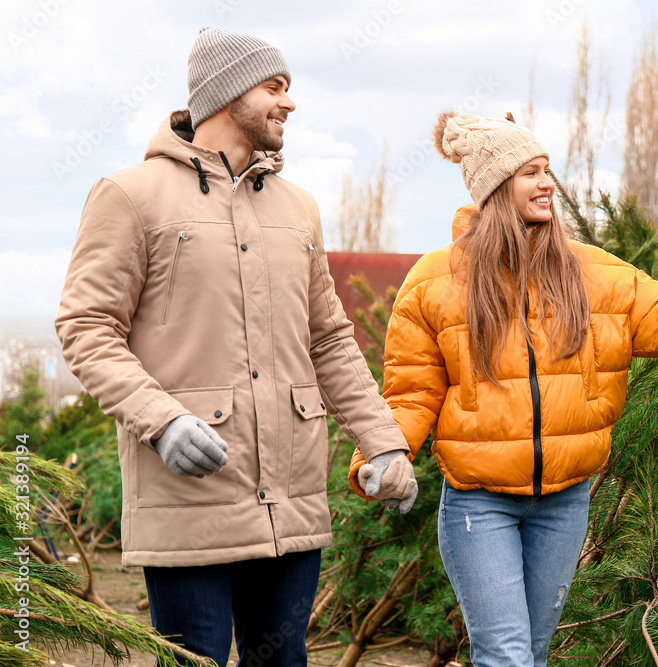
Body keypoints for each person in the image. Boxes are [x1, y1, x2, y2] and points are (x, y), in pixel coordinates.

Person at [347, 112, 658, 666]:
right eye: (530, 172)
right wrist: (381, 456)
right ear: (496, 188)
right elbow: (411, 394)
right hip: (478, 501)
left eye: (548, 169)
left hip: (566, 498)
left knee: (531, 652)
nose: (546, 183)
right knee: (505, 654)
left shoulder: (595, 274)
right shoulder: (436, 281)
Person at [55, 27, 417, 667]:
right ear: (227, 93)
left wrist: (382, 440)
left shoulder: (298, 207)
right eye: (275, 87)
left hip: (294, 500)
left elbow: (328, 338)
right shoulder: (131, 195)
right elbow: (86, 327)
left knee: (282, 660)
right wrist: (161, 420)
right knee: (193, 660)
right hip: (188, 498)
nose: (290, 103)